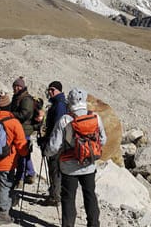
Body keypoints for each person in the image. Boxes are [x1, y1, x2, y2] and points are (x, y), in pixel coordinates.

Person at [45, 88, 107, 227]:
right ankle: (93, 224)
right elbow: (103, 140)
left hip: (69, 167)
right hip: (89, 165)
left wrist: (46, 152)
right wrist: (89, 150)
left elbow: (54, 146)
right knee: (90, 195)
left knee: (68, 198)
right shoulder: (95, 117)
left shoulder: (65, 119)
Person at [0, 93, 29, 225]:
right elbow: (21, 144)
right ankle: (2, 215)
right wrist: (25, 152)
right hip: (6, 162)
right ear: (8, 106)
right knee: (4, 186)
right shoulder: (13, 122)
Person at [37, 81, 68, 206]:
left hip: (56, 142)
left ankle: (55, 196)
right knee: (55, 168)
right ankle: (55, 192)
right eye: (49, 89)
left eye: (52, 89)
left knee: (54, 168)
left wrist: (47, 140)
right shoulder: (58, 103)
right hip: (59, 141)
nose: (50, 92)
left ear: (58, 90)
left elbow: (57, 126)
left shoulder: (59, 105)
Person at [10, 76, 36, 186]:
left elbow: (25, 114)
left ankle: (20, 178)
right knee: (24, 153)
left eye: (18, 86)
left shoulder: (26, 99)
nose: (16, 88)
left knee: (22, 154)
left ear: (22, 87)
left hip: (24, 130)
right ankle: (30, 173)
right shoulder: (17, 97)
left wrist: (11, 115)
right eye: (14, 86)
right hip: (18, 129)